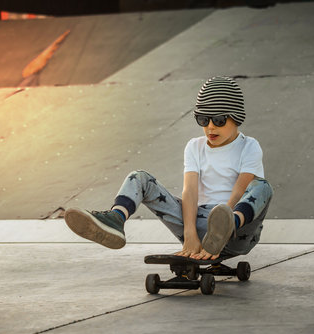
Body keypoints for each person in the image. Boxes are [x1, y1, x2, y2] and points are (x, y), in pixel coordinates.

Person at [65, 76, 273, 260]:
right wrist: (190, 234)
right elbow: (190, 191)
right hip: (200, 221)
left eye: (218, 120)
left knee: (262, 187)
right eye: (203, 119)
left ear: (236, 117)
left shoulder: (249, 146)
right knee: (140, 178)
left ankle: (227, 224)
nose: (210, 127)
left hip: (239, 228)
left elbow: (239, 190)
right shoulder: (194, 146)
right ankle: (116, 219)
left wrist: (224, 223)